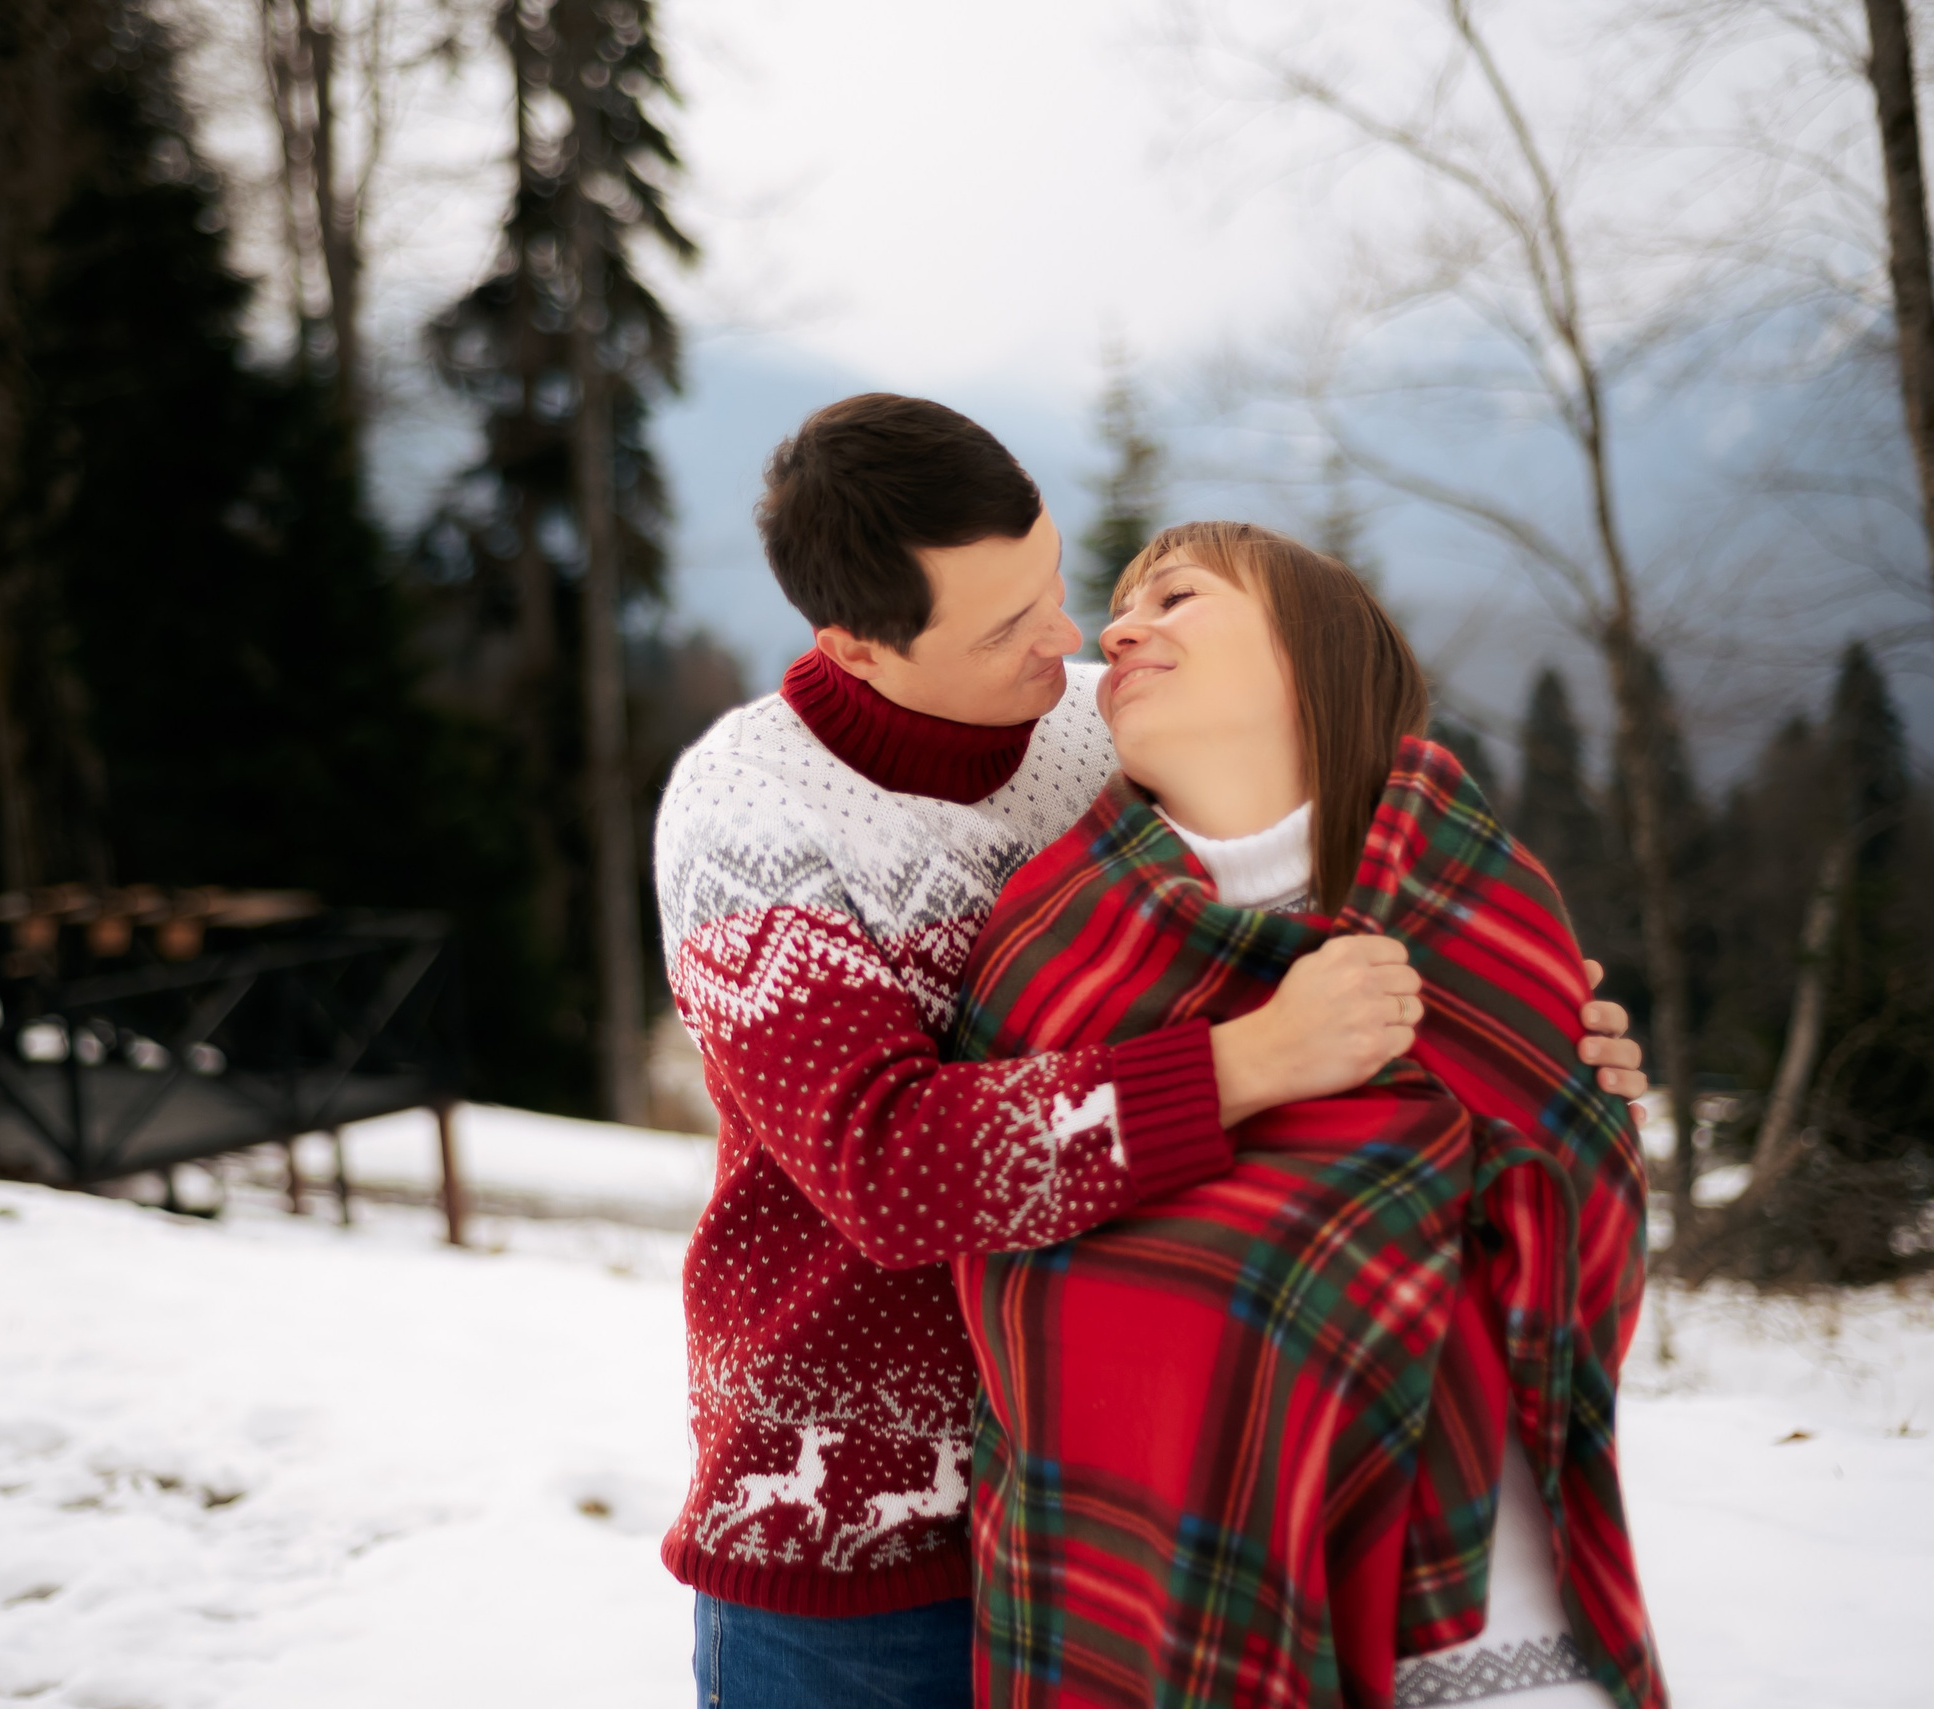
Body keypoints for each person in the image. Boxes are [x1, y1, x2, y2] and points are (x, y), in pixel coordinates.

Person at [651, 397, 1649, 1709]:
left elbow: (1304, 868)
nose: (1068, 638)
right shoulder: (748, 817)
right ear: (855, 643)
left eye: (1055, 583)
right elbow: (888, 1170)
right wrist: (1248, 1064)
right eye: (1010, 627)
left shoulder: (1099, 727)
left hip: (1113, 1511)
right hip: (855, 1552)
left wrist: (1516, 1013)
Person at [948, 522, 1663, 1709]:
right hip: (1128, 1601)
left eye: (1176, 597)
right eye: (1123, 607)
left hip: (1483, 1622)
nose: (1121, 629)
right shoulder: (1047, 942)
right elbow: (987, 1224)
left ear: (1313, 658)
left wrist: (1554, 1068)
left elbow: (1578, 1257)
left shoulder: (1479, 919)